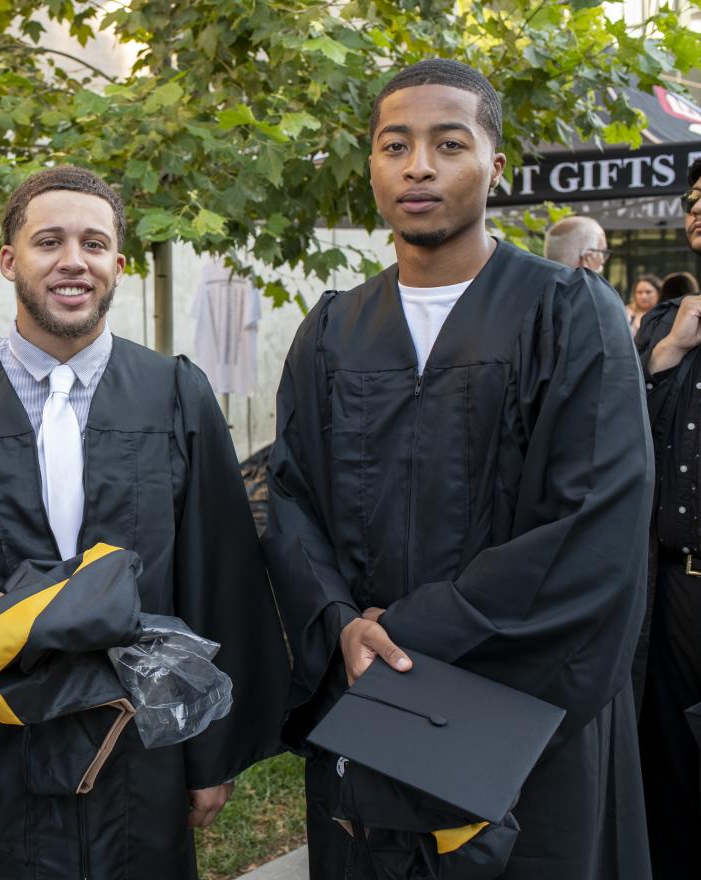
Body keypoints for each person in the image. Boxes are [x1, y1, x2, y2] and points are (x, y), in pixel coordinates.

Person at [264, 59, 652, 879]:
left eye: (449, 143)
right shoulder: (332, 331)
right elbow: (291, 499)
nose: (419, 167)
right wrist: (340, 623)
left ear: (495, 166)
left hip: (522, 709)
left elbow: (594, 516)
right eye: (394, 144)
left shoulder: (569, 313)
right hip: (368, 698)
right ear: (369, 164)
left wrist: (404, 632)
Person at [0, 166, 289, 879]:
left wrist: (211, 753)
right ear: (8, 260)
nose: (72, 261)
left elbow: (221, 571)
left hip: (140, 739)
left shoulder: (173, 393)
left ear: (118, 264)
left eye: (93, 243)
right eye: (48, 241)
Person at [631, 159, 701, 880]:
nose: (698, 206)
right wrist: (665, 354)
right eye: (693, 197)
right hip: (673, 586)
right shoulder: (659, 327)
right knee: (671, 765)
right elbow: (617, 439)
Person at [542, 214, 610, 272]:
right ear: (587, 258)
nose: (602, 261)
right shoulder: (596, 287)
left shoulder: (534, 283)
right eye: (602, 252)